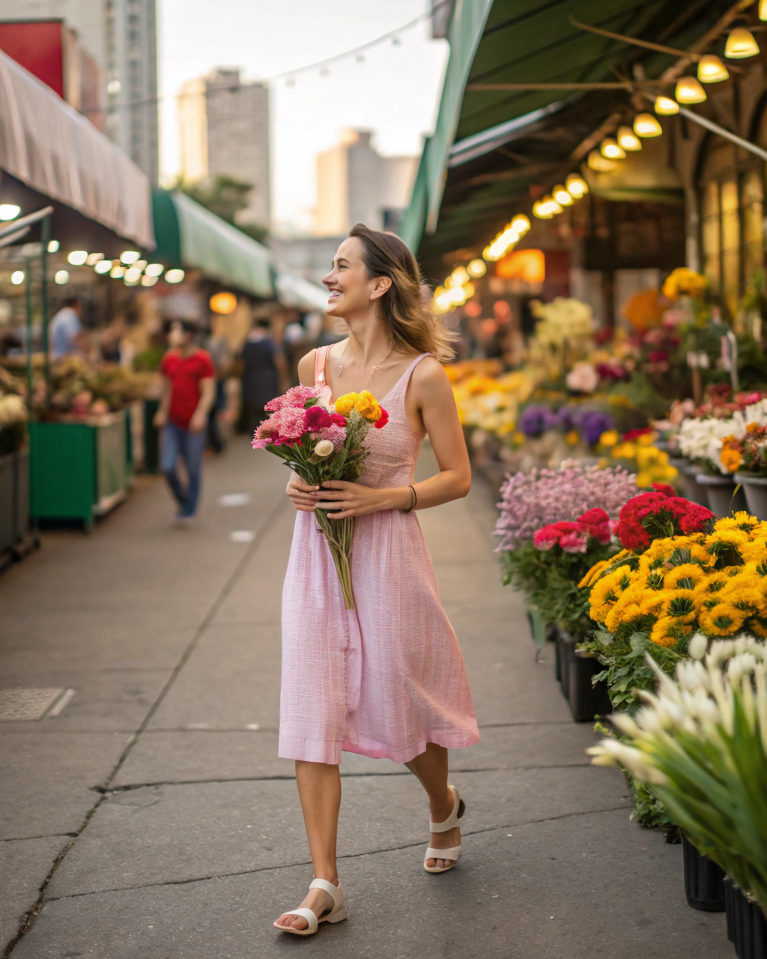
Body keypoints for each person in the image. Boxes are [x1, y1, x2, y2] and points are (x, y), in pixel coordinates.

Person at [274, 224, 479, 936]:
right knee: (311, 707)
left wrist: (383, 496)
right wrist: (301, 484)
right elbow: (302, 455)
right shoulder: (314, 365)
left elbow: (458, 476)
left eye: (339, 266)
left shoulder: (423, 374)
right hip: (316, 556)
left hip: (388, 548)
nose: (328, 277)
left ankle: (442, 803)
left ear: (379, 283)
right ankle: (324, 880)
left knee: (398, 696)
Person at [154, 320, 215, 525]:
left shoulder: (202, 359)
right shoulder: (169, 359)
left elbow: (208, 392)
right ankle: (184, 499)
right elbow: (167, 388)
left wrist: (201, 414)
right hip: (173, 421)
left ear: (187, 334)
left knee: (192, 467)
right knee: (167, 466)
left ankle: (189, 510)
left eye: (176, 331)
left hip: (193, 423)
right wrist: (162, 412)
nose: (172, 334)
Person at [240, 318, 286, 435]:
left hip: (250, 378)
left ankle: (254, 431)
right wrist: (284, 378)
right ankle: (267, 431)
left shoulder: (247, 342)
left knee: (252, 404)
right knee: (267, 405)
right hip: (267, 378)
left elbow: (241, 362)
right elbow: (278, 360)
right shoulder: (269, 342)